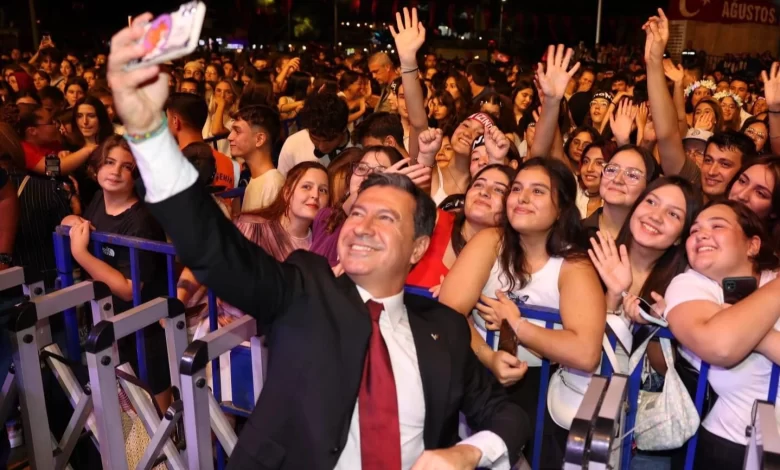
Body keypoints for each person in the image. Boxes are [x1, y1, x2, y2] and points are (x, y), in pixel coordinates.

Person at [108, 11, 530, 468]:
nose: (362, 225)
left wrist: (469, 452)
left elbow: (507, 415)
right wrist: (149, 134)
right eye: (358, 212)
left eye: (386, 218)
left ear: (418, 247)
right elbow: (213, 247)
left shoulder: (443, 329)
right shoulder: (304, 291)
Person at [439, 157, 605, 468]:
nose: (522, 198)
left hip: (543, 388)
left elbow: (585, 353)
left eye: (538, 191)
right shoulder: (491, 241)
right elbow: (448, 313)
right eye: (516, 189)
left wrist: (517, 325)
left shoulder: (574, 265)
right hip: (477, 376)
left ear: (561, 208)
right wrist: (488, 357)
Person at [663, 201, 780, 470]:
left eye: (717, 226)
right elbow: (720, 345)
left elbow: (729, 336)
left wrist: (748, 331)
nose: (701, 234)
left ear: (752, 245)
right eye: (694, 230)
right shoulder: (689, 284)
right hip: (724, 446)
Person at [277, 92, 352, 176]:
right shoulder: (293, 144)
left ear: (344, 129)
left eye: (329, 140)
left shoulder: (357, 147)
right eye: (315, 139)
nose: (321, 147)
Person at [227, 105, 285, 212]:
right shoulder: (256, 180)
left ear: (259, 139)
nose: (229, 137)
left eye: (237, 131)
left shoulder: (273, 185)